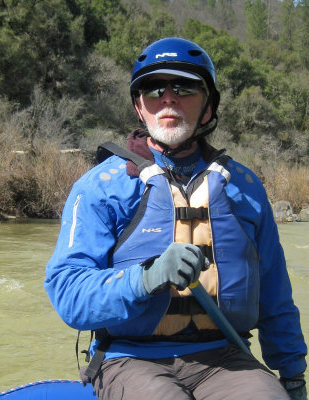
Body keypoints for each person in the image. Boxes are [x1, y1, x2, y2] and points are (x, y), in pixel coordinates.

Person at [44, 37, 307, 400]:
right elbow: (68, 293)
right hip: (130, 359)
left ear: (209, 105)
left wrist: (292, 376)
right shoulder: (102, 187)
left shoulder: (244, 188)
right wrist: (145, 278)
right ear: (139, 105)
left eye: (184, 86)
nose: (168, 98)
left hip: (226, 358)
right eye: (153, 88)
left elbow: (276, 296)